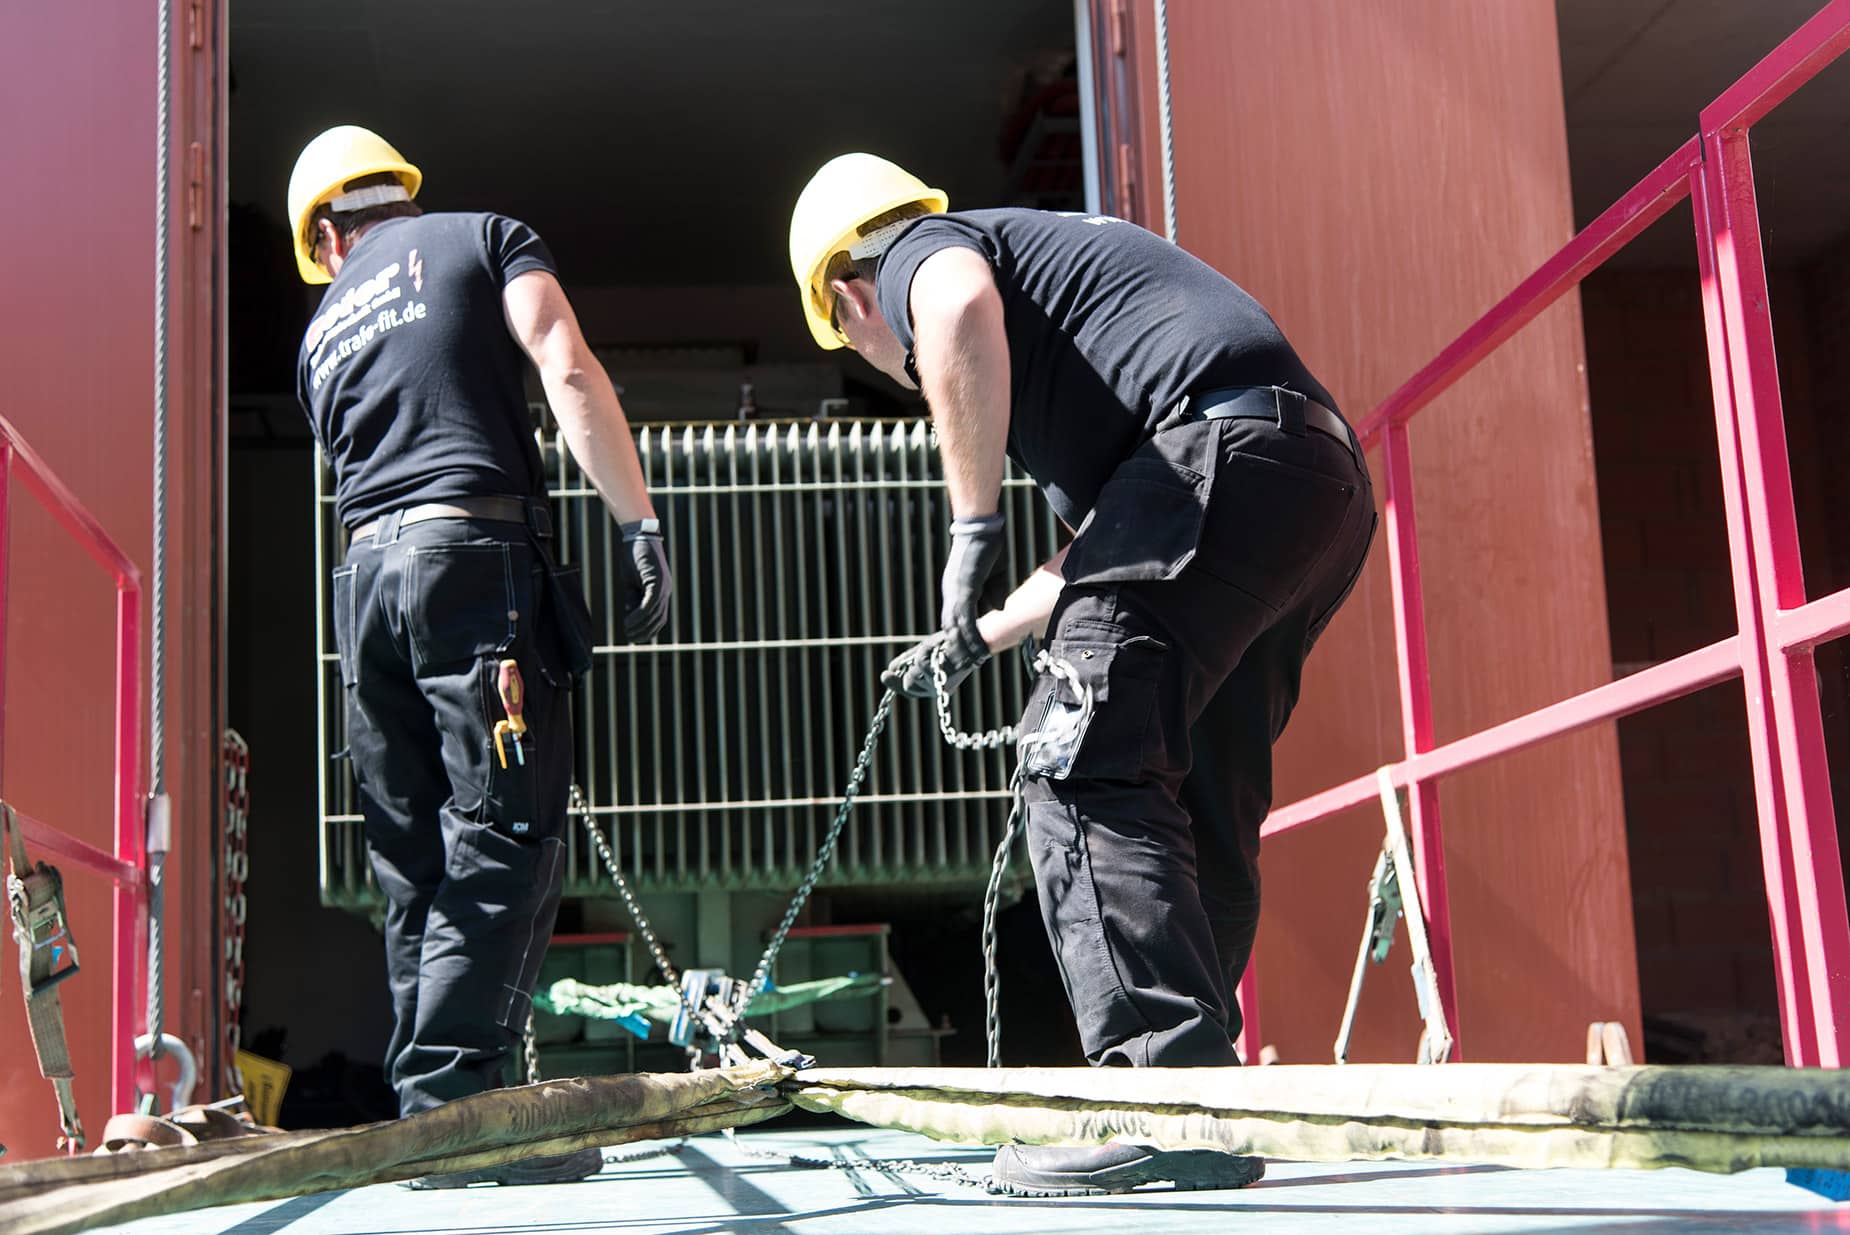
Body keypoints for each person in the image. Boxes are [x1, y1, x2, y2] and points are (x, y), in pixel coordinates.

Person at [788, 154, 1376, 1197]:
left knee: (1076, 759)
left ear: (848, 295)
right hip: (1301, 480)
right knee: (1191, 798)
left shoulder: (929, 252)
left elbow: (956, 305)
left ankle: (1162, 1088)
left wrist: (969, 524)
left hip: (1213, 463)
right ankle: (1200, 1102)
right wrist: (980, 631)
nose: (895, 362)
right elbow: (1108, 550)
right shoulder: (1064, 289)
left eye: (869, 348)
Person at [289, 125, 672, 1186]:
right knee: (504, 825)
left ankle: (440, 1112)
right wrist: (637, 524)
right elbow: (565, 363)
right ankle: (457, 1113)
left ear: (326, 234)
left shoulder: (320, 331)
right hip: (471, 557)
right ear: (397, 199)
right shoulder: (486, 237)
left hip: (362, 583)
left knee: (411, 854)